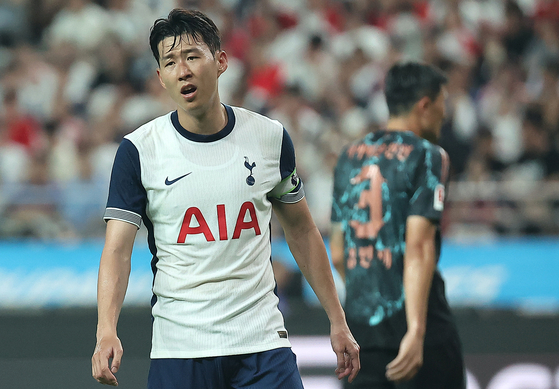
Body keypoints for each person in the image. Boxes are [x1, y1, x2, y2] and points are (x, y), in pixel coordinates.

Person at [91, 8, 360, 389]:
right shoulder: (139, 151)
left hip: (263, 346)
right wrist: (106, 330)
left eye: (192, 56)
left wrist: (337, 318)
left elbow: (301, 230)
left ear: (220, 62)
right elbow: (117, 249)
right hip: (181, 350)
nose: (182, 70)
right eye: (170, 62)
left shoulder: (269, 138)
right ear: (160, 78)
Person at [330, 62, 465, 388]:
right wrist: (416, 331)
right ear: (424, 105)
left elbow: (337, 252)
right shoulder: (428, 155)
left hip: (361, 332)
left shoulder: (349, 157)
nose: (444, 115)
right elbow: (419, 247)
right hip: (422, 328)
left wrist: (372, 286)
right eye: (442, 103)